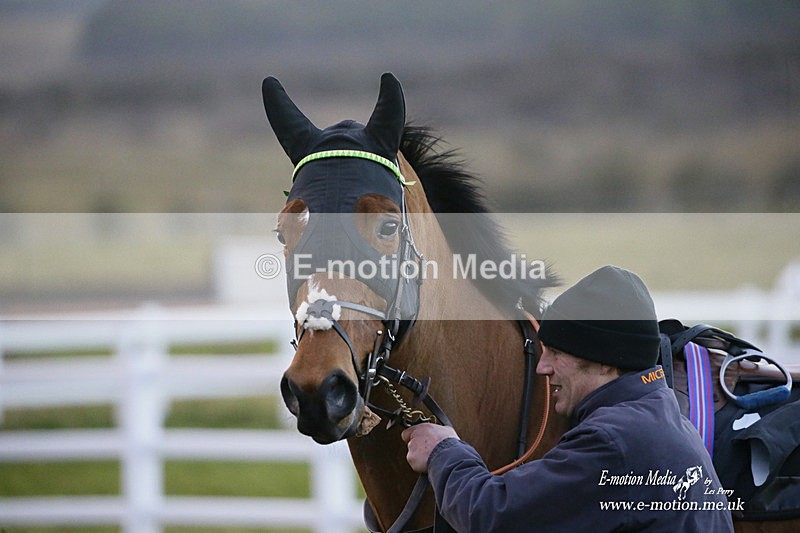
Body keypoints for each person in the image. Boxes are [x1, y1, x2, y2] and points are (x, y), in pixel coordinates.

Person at [402, 265, 735, 532]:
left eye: (557, 353)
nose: (542, 368)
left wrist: (443, 451)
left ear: (606, 361)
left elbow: (491, 515)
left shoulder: (614, 441)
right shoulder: (661, 417)